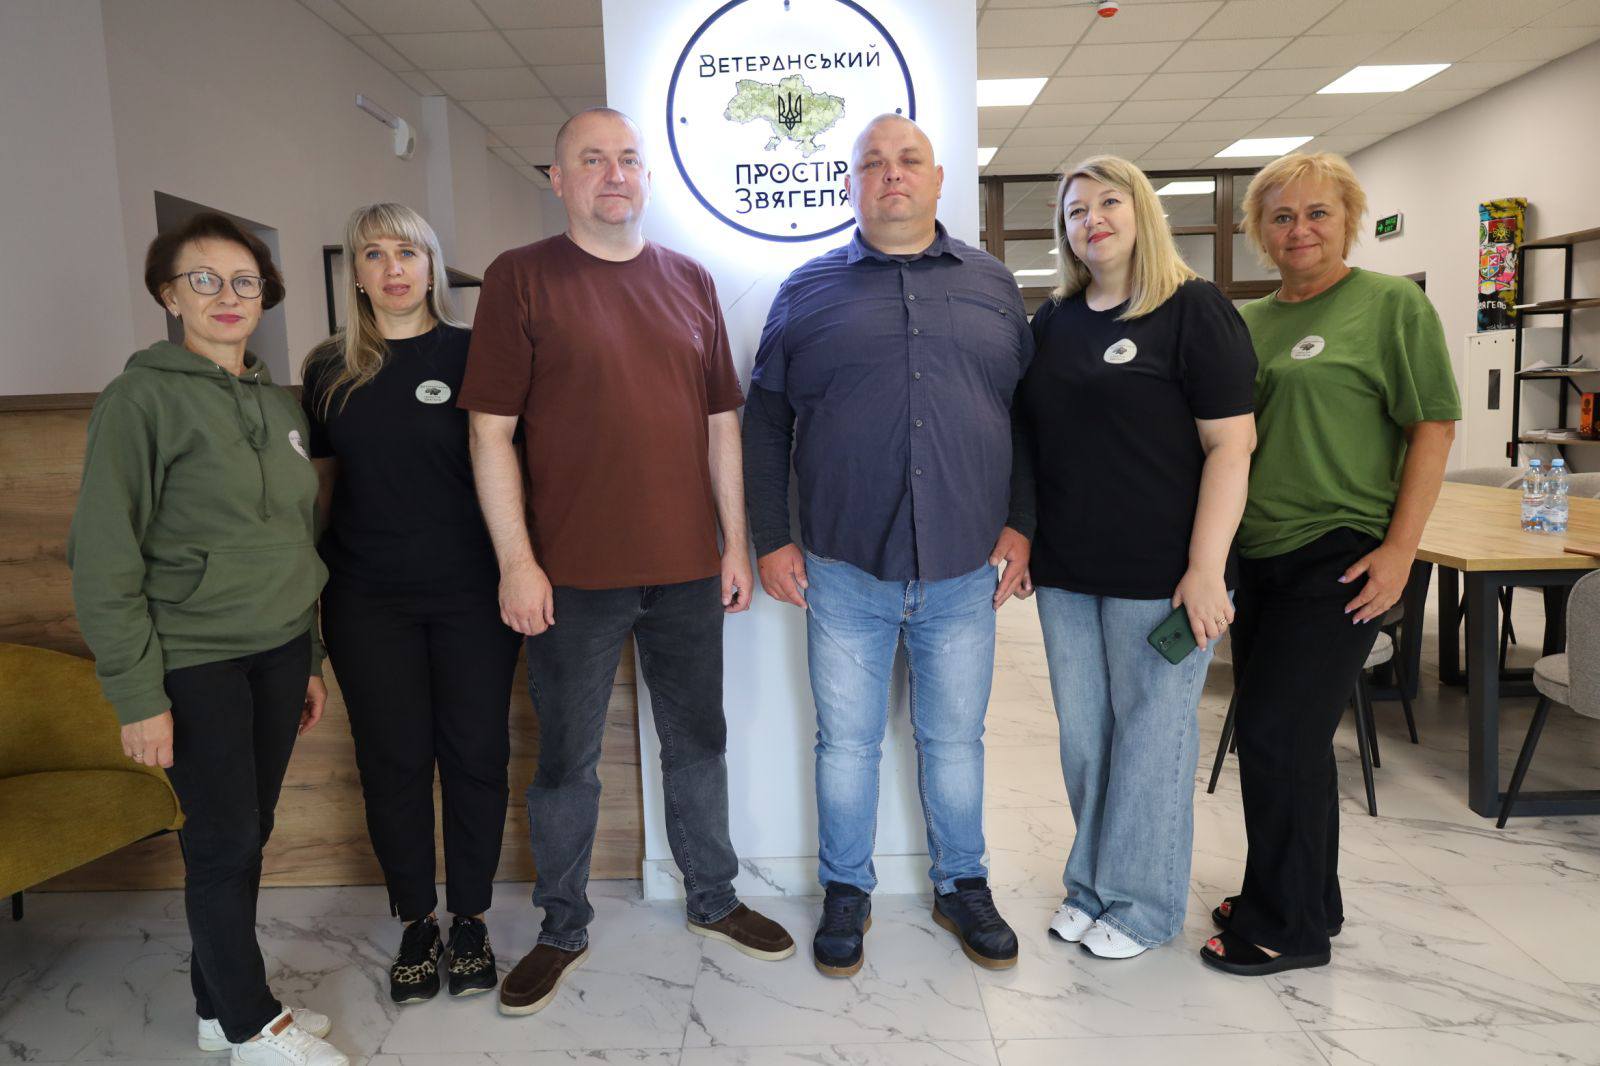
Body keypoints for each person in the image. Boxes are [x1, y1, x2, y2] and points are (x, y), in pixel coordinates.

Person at [458, 106, 795, 1018]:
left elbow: (721, 424)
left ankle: (713, 897)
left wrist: (733, 543)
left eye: (629, 159)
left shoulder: (689, 280)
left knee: (700, 744)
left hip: (686, 570)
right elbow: (490, 433)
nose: (615, 174)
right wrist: (517, 563)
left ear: (646, 176)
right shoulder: (521, 278)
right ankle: (563, 925)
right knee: (567, 763)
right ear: (559, 179)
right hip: (570, 575)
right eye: (592, 159)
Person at [743, 114, 1034, 978]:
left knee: (955, 742)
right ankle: (847, 890)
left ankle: (962, 884)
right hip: (842, 565)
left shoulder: (993, 285)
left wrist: (1022, 521)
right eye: (872, 163)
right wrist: (770, 537)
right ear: (851, 185)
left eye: (908, 160)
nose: (891, 174)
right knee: (846, 745)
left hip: (964, 566)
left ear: (938, 179)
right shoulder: (806, 291)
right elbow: (766, 421)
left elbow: (1028, 417)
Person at [68, 214, 347, 1066]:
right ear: (168, 294)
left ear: (265, 297)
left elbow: (293, 537)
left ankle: (214, 1010)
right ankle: (253, 1023)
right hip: (194, 657)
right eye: (204, 279)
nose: (228, 296)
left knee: (247, 830)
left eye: (245, 282)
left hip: (277, 652)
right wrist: (136, 695)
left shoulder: (277, 403)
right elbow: (103, 555)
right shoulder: (139, 399)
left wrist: (309, 656)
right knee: (223, 843)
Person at [1202, 152, 1459, 976]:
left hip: (1341, 554)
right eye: (1281, 217)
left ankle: (1286, 928)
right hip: (1258, 554)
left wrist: (1400, 551)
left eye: (1317, 212)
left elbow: (1433, 427)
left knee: (1274, 735)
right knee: (1298, 740)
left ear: (1349, 218)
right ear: (1259, 232)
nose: (1300, 230)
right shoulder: (1247, 322)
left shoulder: (1391, 305)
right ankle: (1313, 897)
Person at [1016, 156, 1257, 959]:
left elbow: (1231, 446)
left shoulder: (1194, 310)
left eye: (1109, 202)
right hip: (1067, 573)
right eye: (1076, 210)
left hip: (1162, 576)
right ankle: (1091, 887)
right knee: (1087, 739)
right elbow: (1030, 439)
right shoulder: (1054, 322)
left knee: (1152, 739)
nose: (1093, 219)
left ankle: (1144, 906)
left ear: (1142, 212)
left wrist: (1206, 569)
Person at [301, 203, 522, 1004]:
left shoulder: (477, 353)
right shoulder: (329, 368)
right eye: (373, 255)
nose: (392, 268)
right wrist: (306, 604)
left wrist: (522, 568)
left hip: (472, 593)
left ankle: (471, 919)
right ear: (355, 274)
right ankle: (417, 920)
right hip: (366, 600)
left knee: (476, 755)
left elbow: (512, 470)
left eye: (407, 252)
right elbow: (321, 491)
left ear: (432, 265)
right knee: (392, 762)